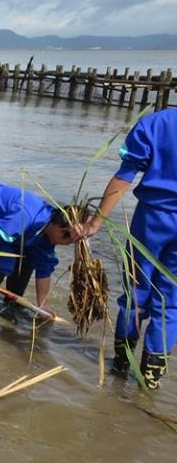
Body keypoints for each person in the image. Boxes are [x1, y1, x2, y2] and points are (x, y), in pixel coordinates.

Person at [80, 108, 177, 389]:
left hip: (152, 220)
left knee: (136, 295)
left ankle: (121, 367)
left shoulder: (157, 122)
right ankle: (150, 381)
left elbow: (124, 176)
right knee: (170, 305)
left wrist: (96, 222)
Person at [0, 182, 75, 320]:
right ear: (62, 230)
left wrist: (42, 304)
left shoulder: (48, 232)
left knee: (28, 257)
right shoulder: (24, 217)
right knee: (4, 260)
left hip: (6, 223)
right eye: (69, 241)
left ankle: (12, 303)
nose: (68, 245)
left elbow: (44, 268)